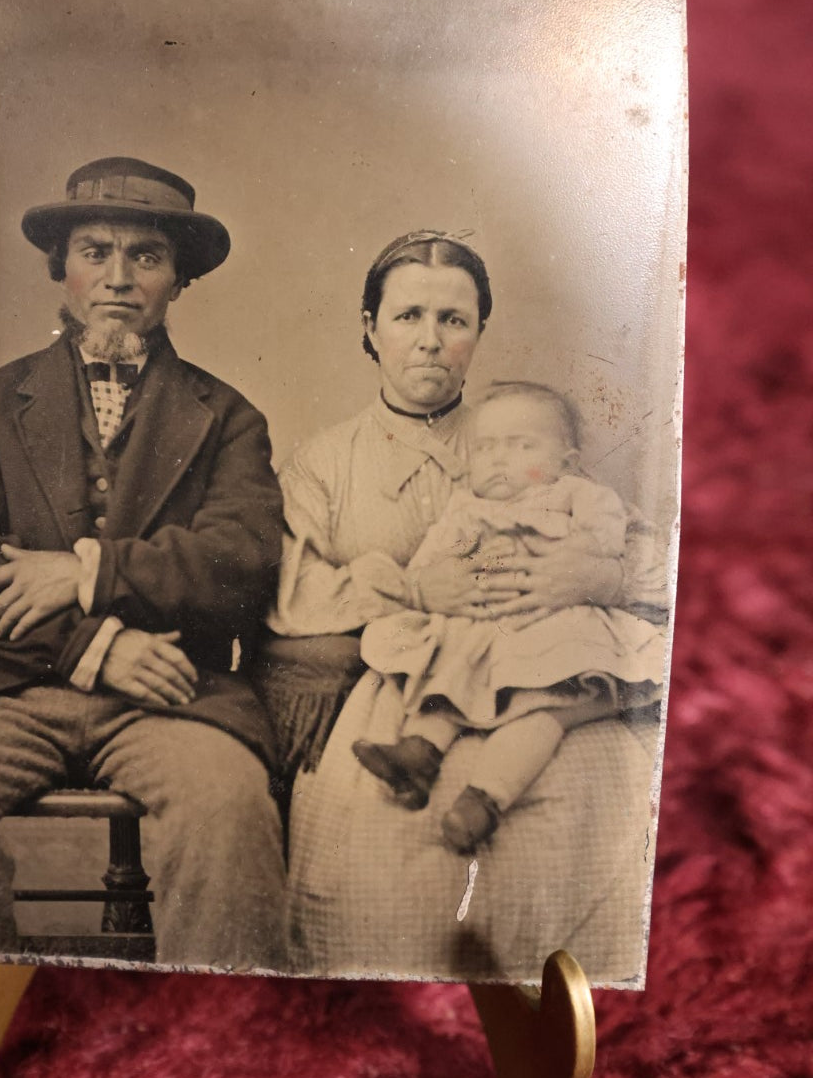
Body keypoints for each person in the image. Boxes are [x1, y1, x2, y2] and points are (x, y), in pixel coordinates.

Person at [0, 156, 288, 970]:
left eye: (146, 256)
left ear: (178, 279)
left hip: (173, 690)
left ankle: (220, 1048)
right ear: (60, 268)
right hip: (4, 685)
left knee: (228, 808)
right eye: (95, 250)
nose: (117, 277)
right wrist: (98, 647)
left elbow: (240, 565)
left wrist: (86, 571)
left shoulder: (230, 417)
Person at [267, 230, 669, 982]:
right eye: (408, 316)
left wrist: (596, 575)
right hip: (411, 689)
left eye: (453, 321)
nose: (429, 341)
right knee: (385, 839)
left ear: (479, 333)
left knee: (595, 800)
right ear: (370, 327)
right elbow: (289, 593)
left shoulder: (528, 437)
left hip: (550, 684)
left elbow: (658, 557)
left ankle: (558, 1010)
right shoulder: (325, 460)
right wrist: (412, 588)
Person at [351, 380, 667, 852]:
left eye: (522, 446)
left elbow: (606, 539)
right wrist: (446, 576)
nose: (499, 459)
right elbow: (430, 567)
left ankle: (485, 799)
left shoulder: (576, 495)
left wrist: (587, 562)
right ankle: (419, 753)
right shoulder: (466, 510)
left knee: (542, 706)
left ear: (568, 462)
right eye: (486, 448)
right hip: (485, 631)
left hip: (558, 627)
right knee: (450, 674)